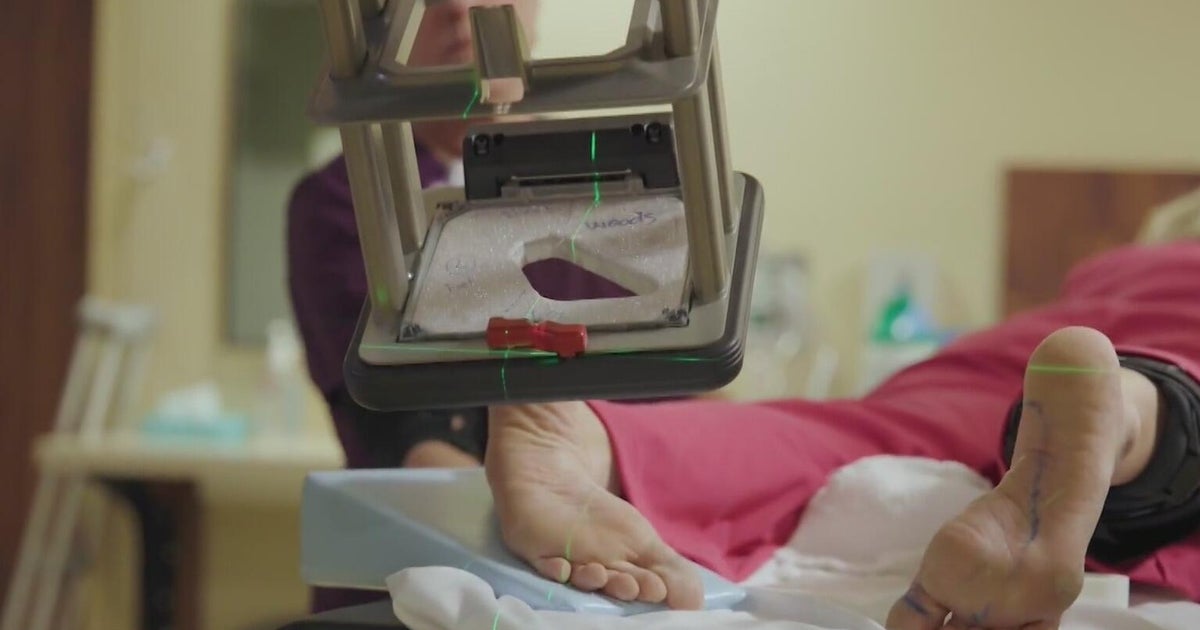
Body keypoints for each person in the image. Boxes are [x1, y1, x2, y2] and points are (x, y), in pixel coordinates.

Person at [482, 208, 1200, 629]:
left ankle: (595, 435)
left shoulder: (1122, 268)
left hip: (985, 367)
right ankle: (1133, 414)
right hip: (1158, 356)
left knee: (849, 437)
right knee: (1171, 417)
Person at [286, 0, 542, 612]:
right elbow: (405, 426)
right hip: (408, 584)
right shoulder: (340, 203)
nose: (455, 8)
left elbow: (692, 399)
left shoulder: (615, 183)